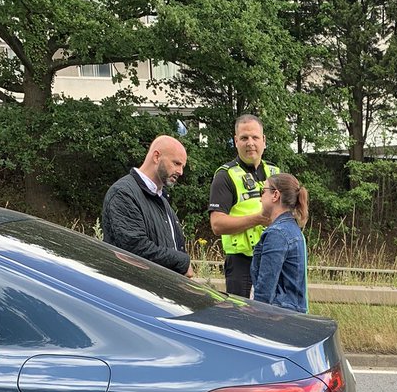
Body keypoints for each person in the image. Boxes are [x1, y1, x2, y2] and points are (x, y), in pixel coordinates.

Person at [208, 114, 279, 296]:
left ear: (264, 140)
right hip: (241, 263)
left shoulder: (275, 173)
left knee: (274, 317)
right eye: (244, 138)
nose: (250, 143)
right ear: (235, 141)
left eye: (255, 137)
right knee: (242, 319)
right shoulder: (225, 176)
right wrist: (258, 219)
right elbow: (217, 225)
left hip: (272, 257)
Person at [101, 136, 192, 276]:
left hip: (161, 291)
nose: (180, 172)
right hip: (135, 291)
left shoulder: (161, 199)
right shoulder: (123, 194)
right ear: (156, 157)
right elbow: (134, 248)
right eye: (176, 163)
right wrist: (181, 263)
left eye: (182, 166)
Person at [250, 173, 309, 313]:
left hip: (279, 316)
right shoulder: (292, 229)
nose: (260, 199)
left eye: (262, 192)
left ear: (275, 195)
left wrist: (256, 316)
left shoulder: (277, 233)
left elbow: (265, 288)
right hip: (290, 314)